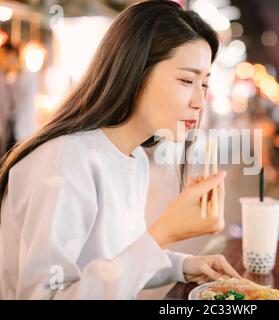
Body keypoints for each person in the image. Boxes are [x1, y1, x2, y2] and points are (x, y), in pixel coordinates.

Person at [0, 1, 240, 300]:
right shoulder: (67, 161)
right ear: (135, 71)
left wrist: (184, 265)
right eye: (187, 80)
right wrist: (164, 232)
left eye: (204, 84)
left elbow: (110, 264)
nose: (200, 101)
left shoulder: (134, 158)